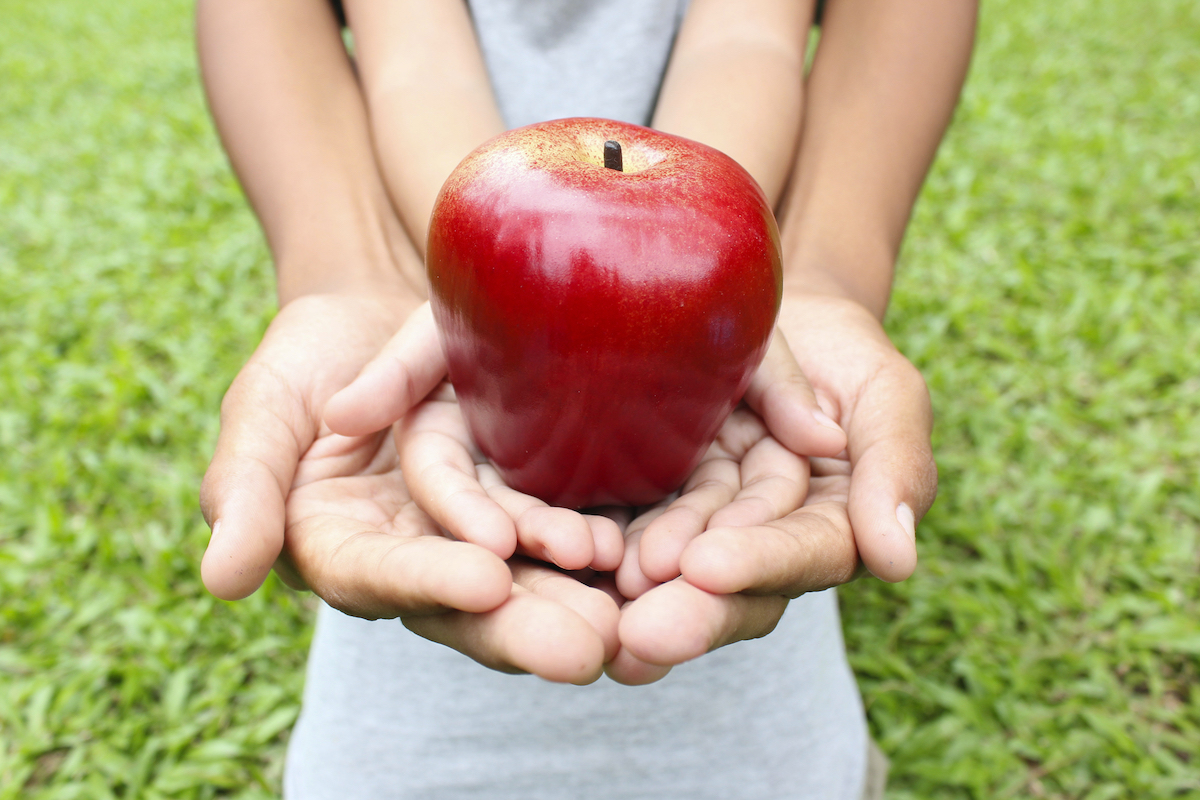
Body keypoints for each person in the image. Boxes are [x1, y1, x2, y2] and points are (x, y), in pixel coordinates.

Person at [195, 0, 974, 796]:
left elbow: (752, 37)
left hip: (761, 720)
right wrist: (371, 274)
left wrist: (802, 278)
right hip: (401, 728)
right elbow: (404, 55)